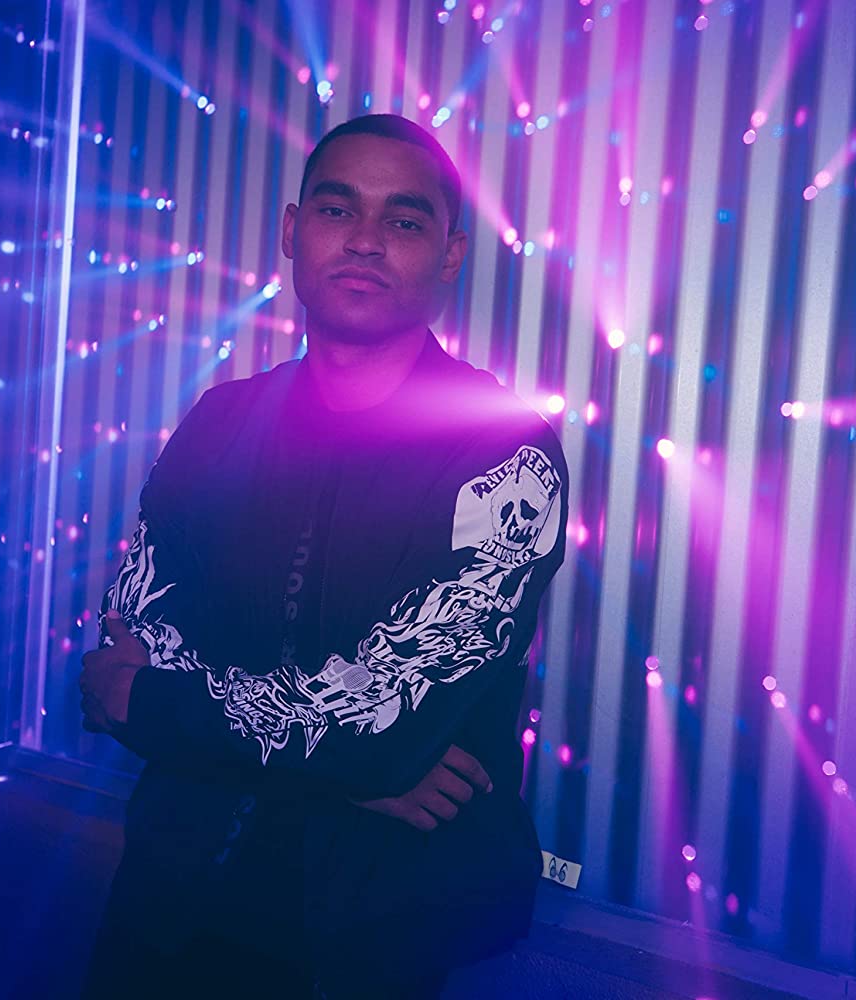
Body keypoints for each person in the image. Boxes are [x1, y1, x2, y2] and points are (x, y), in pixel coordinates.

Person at [78, 113, 568, 999]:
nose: (367, 239)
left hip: (372, 927)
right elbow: (122, 666)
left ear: (450, 254)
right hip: (170, 889)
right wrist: (347, 762)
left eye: (405, 220)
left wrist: (173, 709)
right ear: (292, 230)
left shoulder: (506, 454)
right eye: (339, 210)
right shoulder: (220, 422)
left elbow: (382, 730)